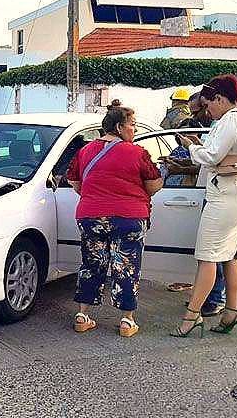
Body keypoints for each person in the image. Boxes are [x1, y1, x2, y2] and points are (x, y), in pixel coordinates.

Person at [67, 100, 164, 337]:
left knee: (92, 264)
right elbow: (153, 185)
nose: (135, 129)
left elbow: (75, 182)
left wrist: (96, 196)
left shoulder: (84, 151)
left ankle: (82, 316)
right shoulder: (138, 153)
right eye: (132, 124)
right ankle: (126, 321)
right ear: (119, 127)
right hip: (128, 218)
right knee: (126, 266)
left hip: (90, 216)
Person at [171, 74, 237, 338]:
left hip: (225, 197)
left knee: (207, 258)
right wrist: (201, 147)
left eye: (209, 105)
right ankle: (231, 312)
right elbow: (221, 153)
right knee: (231, 256)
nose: (207, 111)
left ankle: (192, 316)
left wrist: (191, 147)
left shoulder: (230, 119)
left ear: (219, 99)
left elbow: (212, 156)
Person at [164, 92, 227, 316]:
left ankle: (215, 299)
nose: (199, 114)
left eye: (199, 109)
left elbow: (210, 163)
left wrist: (190, 150)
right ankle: (206, 299)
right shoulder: (215, 130)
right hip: (213, 196)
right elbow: (205, 162)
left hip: (219, 198)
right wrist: (182, 162)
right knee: (210, 254)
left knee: (213, 254)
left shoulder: (222, 130)